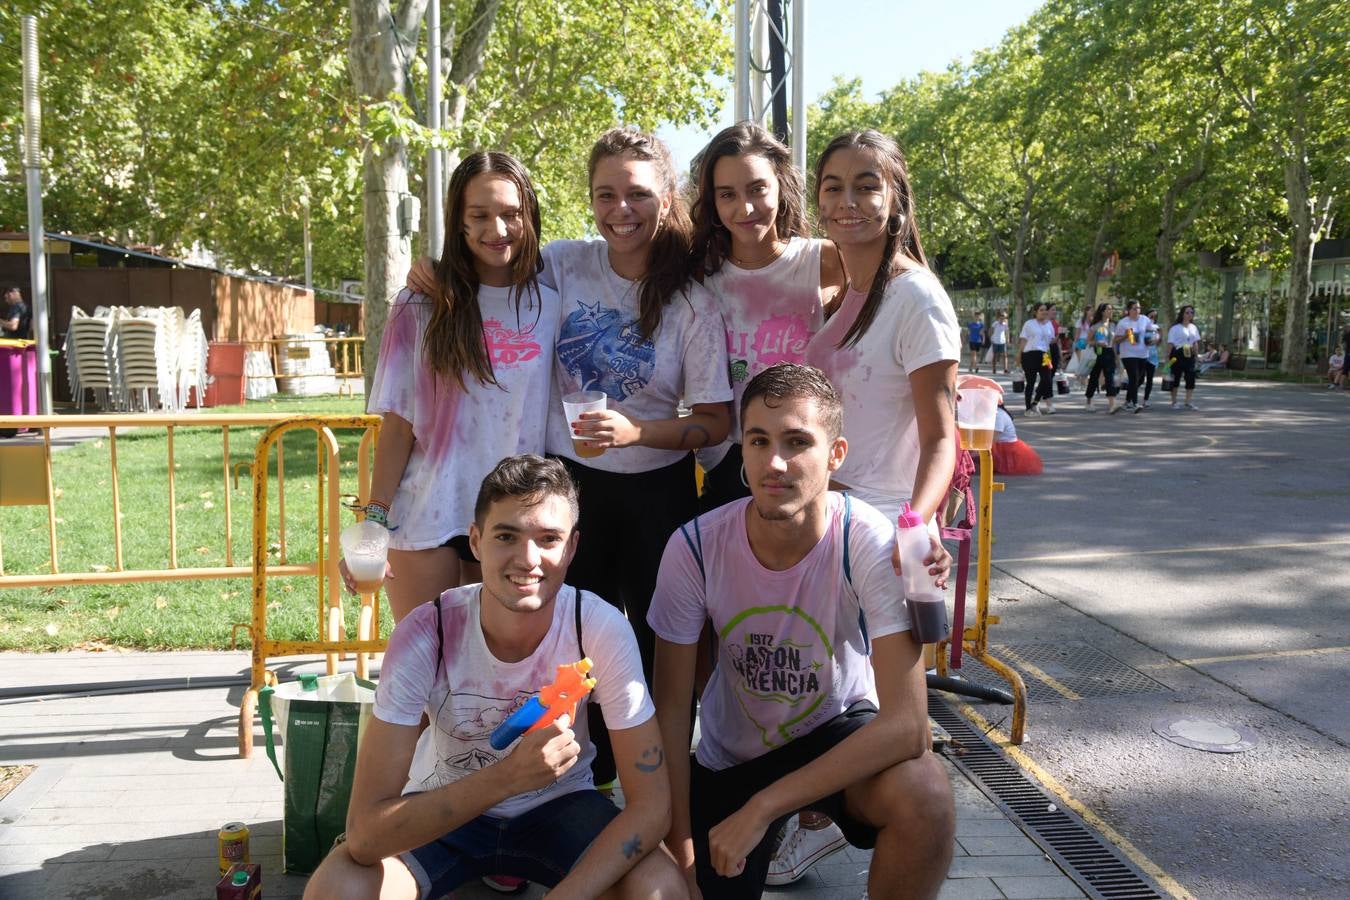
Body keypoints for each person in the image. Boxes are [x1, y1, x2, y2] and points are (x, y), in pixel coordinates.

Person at [303, 455, 686, 900]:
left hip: (561, 809)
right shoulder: (427, 632)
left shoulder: (597, 627)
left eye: (548, 539)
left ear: (573, 548)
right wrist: (509, 776)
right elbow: (365, 835)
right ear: (476, 540)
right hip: (444, 809)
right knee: (338, 888)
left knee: (660, 888)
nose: (528, 559)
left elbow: (652, 808)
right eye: (507, 536)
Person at [648, 364, 956, 900]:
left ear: (835, 455)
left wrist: (765, 808)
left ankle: (792, 818)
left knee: (925, 793)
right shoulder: (694, 547)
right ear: (740, 449)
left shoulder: (864, 538)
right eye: (759, 441)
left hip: (835, 733)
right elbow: (672, 712)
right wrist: (683, 849)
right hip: (733, 756)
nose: (775, 463)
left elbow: (910, 727)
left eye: (797, 442)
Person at [354, 152, 560, 621]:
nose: (498, 229)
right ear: (459, 223)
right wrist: (374, 522)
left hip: (513, 520)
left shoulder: (550, 304)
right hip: (427, 513)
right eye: (480, 215)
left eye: (510, 214)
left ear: (528, 215)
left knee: (498, 678)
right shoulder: (420, 305)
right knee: (426, 673)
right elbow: (399, 425)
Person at [803, 129, 962, 529]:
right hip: (828, 519)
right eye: (833, 187)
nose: (847, 202)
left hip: (885, 525)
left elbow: (941, 441)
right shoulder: (844, 297)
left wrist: (913, 526)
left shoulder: (916, 298)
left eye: (867, 186)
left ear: (896, 202)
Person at [688, 121, 846, 514]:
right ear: (712, 202)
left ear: (780, 184)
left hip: (806, 457)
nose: (744, 208)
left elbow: (892, 303)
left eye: (757, 188)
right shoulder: (699, 276)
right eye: (727, 195)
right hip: (729, 464)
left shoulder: (823, 260)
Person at [1017, 302, 1055, 415]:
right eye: (1041, 310)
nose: (1044, 312)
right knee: (1031, 382)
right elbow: (1023, 339)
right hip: (1030, 354)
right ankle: (1028, 408)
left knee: (1047, 379)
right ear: (1035, 312)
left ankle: (1035, 402)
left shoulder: (1049, 324)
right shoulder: (1029, 324)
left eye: (1045, 310)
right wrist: (1019, 354)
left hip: (1045, 355)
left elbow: (1051, 341)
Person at [1114, 301, 1151, 413]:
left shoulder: (1145, 319)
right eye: (1134, 308)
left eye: (1139, 308)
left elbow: (1151, 332)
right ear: (1129, 310)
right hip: (1128, 354)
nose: (1137, 311)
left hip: (1143, 353)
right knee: (1134, 377)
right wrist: (1126, 335)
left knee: (1139, 379)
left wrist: (1154, 339)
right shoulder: (1123, 323)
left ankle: (1127, 401)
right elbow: (1115, 340)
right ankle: (1135, 403)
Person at [1083, 303, 1119, 414]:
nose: (1111, 311)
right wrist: (1097, 343)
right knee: (1094, 378)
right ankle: (1089, 400)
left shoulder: (1113, 325)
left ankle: (1112, 404)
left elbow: (1113, 343)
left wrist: (1117, 356)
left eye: (1111, 309)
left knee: (1110, 378)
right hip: (1098, 353)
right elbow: (1087, 341)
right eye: (1108, 309)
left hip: (1109, 353)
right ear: (1102, 312)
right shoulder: (1095, 326)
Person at [1166, 305, 1202, 410]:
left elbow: (1195, 342)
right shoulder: (1175, 328)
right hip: (1178, 354)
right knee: (1176, 378)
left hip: (1189, 354)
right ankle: (1174, 402)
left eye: (1191, 312)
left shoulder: (1193, 327)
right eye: (1187, 312)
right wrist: (1168, 356)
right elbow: (1170, 343)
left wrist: (1197, 355)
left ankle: (1188, 401)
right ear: (1182, 314)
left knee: (1190, 378)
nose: (1190, 314)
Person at [1140, 307, 1162, 408]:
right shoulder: (1142, 325)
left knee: (1149, 379)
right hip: (1142, 355)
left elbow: (1158, 341)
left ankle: (1145, 400)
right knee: (1139, 379)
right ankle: (1130, 398)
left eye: (1155, 316)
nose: (1153, 317)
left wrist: (1158, 339)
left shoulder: (1157, 328)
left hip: (1152, 356)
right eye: (1151, 315)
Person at [989, 310, 1010, 374]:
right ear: (999, 317)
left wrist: (1008, 339)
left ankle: (1005, 369)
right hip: (995, 341)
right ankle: (994, 369)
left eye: (1004, 317)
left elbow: (1007, 332)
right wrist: (991, 338)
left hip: (1002, 342)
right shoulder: (995, 323)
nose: (1003, 318)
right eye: (1002, 316)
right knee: (995, 355)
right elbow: (991, 331)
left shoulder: (1005, 324)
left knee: (1005, 355)